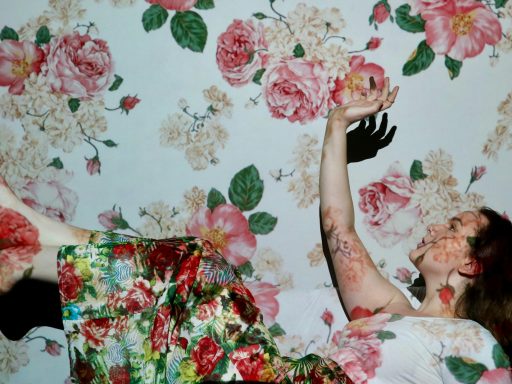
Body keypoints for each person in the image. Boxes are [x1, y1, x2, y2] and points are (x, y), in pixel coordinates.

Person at [0, 77, 510, 383]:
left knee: (201, 267)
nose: (436, 225)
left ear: (472, 262)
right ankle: (25, 238)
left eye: (456, 225)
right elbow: (339, 232)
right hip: (270, 374)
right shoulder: (391, 310)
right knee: (188, 273)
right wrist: (335, 126)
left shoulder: (474, 343)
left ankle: (24, 246)